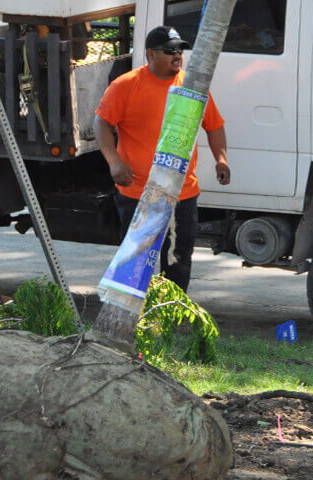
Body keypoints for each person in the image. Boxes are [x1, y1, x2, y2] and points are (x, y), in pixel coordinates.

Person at [96, 25, 231, 292]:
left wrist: (222, 159)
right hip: (138, 192)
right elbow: (101, 123)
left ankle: (169, 321)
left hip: (181, 193)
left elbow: (214, 126)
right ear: (150, 54)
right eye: (169, 50)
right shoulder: (125, 85)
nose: (177, 55)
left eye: (179, 49)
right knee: (133, 266)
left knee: (178, 264)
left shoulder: (191, 87)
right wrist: (114, 162)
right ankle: (128, 321)